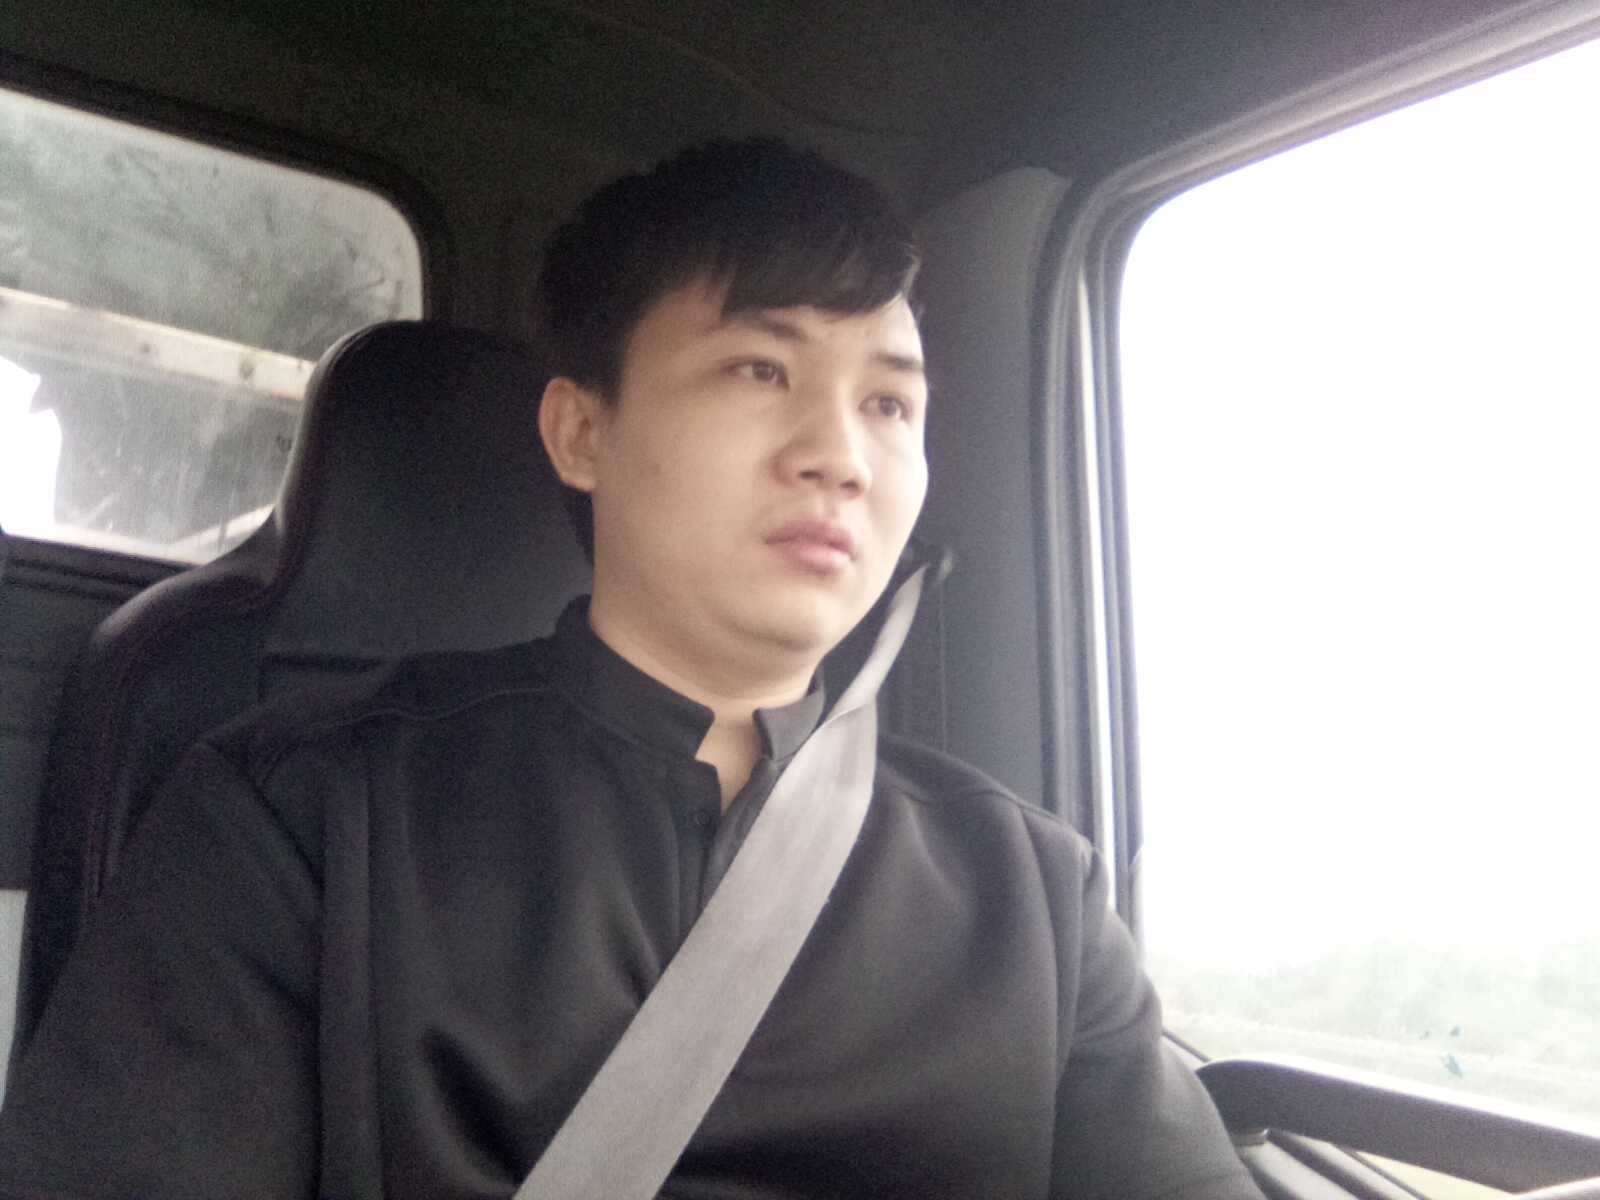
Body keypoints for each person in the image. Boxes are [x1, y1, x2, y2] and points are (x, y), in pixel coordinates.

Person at [0, 138, 1264, 1199]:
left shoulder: (1032, 893)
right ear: (581, 430)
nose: (839, 454)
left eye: (889, 404)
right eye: (760, 369)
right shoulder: (300, 816)